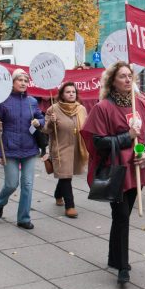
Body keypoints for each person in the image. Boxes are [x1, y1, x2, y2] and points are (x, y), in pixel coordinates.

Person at [80, 61, 145, 286]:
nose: (127, 79)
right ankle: (123, 266)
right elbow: (97, 141)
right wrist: (127, 136)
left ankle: (114, 257)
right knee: (121, 216)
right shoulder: (103, 107)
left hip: (137, 170)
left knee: (122, 217)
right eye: (122, 76)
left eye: (129, 75)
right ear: (112, 80)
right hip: (117, 171)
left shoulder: (140, 103)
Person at [0, 69, 44, 229]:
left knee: (27, 184)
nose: (23, 83)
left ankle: (24, 218)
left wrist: (39, 122)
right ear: (12, 83)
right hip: (10, 149)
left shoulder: (32, 101)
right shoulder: (2, 102)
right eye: (19, 80)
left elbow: (41, 118)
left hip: (29, 149)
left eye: (25, 80)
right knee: (11, 184)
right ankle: (0, 202)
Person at [44, 81, 88, 218]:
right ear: (62, 94)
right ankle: (70, 206)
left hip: (76, 147)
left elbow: (86, 127)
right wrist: (51, 121)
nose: (71, 94)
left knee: (66, 175)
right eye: (68, 92)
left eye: (73, 92)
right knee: (66, 176)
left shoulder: (81, 109)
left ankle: (58, 194)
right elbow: (46, 130)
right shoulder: (53, 109)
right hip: (60, 147)